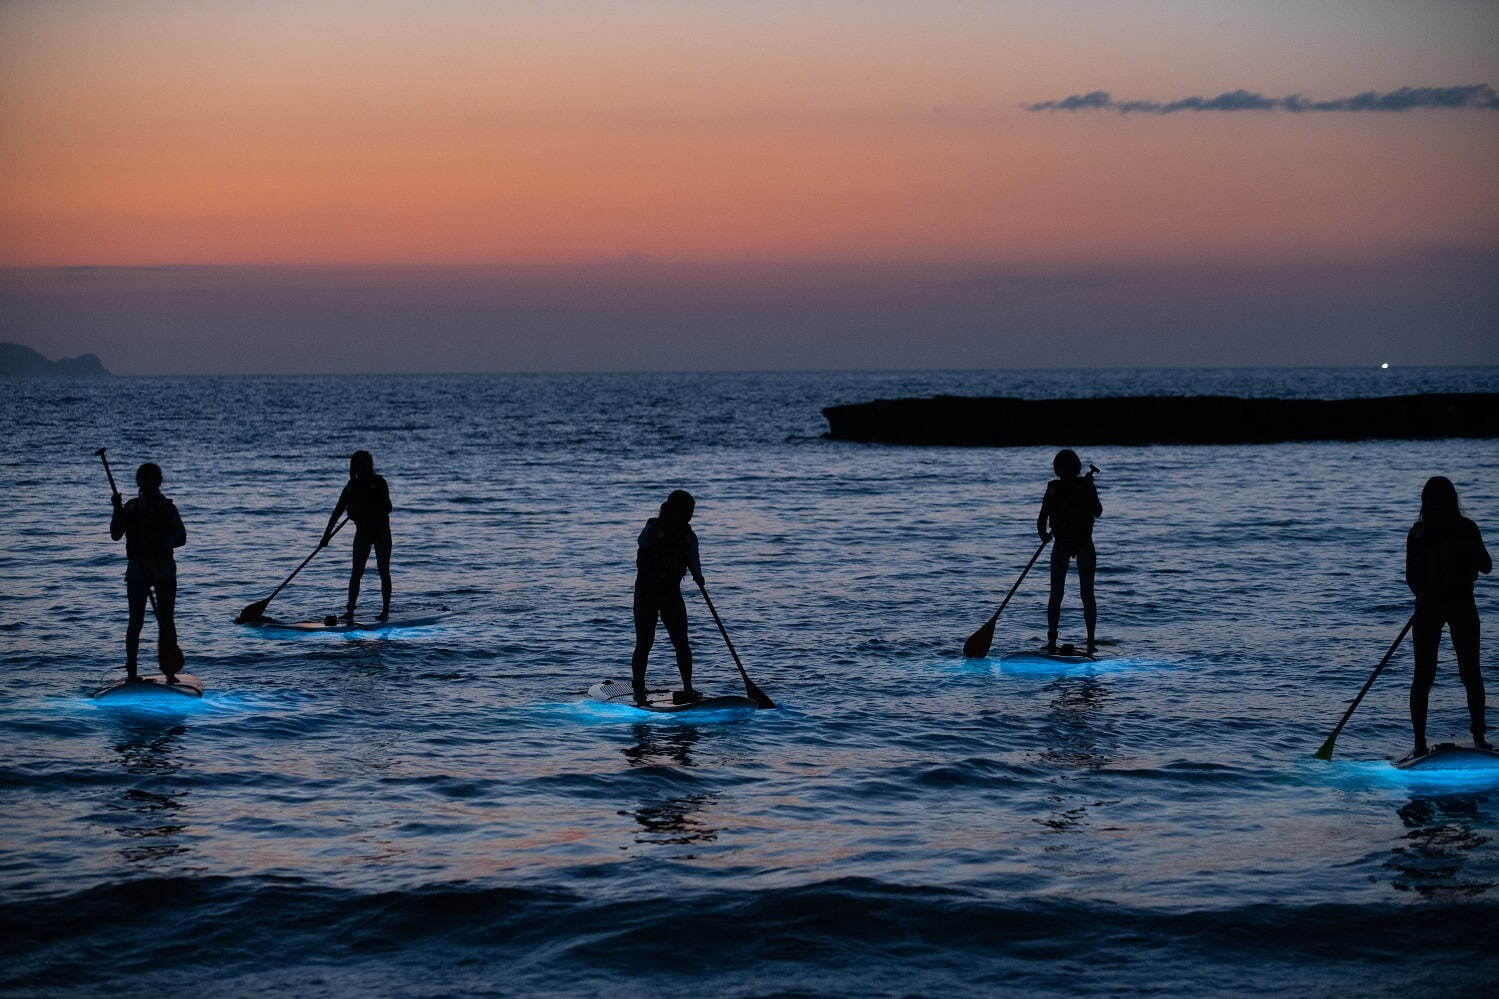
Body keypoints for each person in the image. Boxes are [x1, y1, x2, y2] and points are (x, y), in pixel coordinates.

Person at [1406, 476, 1492, 758]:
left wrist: (1470, 551)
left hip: (1461, 604)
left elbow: (1487, 566)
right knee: (1423, 675)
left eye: (1441, 499)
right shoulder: (1418, 533)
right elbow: (1411, 576)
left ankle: (1479, 736)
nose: (1437, 504)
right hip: (1429, 607)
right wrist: (1421, 593)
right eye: (1432, 499)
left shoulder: (1467, 529)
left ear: (1451, 500)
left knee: (1470, 672)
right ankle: (1419, 741)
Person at [110, 462, 185, 681]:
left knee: (166, 621)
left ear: (158, 482)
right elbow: (115, 534)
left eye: (151, 480)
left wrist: (159, 542)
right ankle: (132, 671)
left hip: (163, 571)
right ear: (139, 483)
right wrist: (117, 509)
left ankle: (170, 671)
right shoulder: (131, 508)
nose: (148, 485)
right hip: (137, 572)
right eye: (144, 480)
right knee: (136, 622)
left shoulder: (167, 508)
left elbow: (181, 538)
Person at [631, 490, 705, 706]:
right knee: (645, 641)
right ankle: (638, 684)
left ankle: (688, 686)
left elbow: (694, 560)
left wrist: (698, 576)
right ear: (675, 510)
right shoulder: (653, 528)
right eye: (687, 511)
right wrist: (666, 528)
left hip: (671, 593)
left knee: (682, 642)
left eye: (692, 511)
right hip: (646, 592)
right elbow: (642, 543)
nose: (690, 515)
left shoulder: (689, 536)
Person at [1037, 449, 1102, 654]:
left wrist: (1090, 491)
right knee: (1057, 594)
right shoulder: (1053, 489)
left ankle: (1091, 642)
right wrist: (1043, 535)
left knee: (1086, 594)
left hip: (1083, 543)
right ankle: (1052, 640)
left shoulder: (1084, 486)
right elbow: (1042, 518)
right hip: (1062, 544)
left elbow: (1097, 511)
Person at [321, 450, 392, 621]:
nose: (364, 467)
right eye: (360, 464)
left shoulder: (379, 483)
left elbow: (388, 507)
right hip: (363, 533)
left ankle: (385, 611)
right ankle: (350, 610)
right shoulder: (351, 487)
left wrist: (364, 509)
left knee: (383, 570)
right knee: (356, 572)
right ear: (355, 467)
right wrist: (326, 536)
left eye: (366, 464)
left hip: (381, 532)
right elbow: (337, 512)